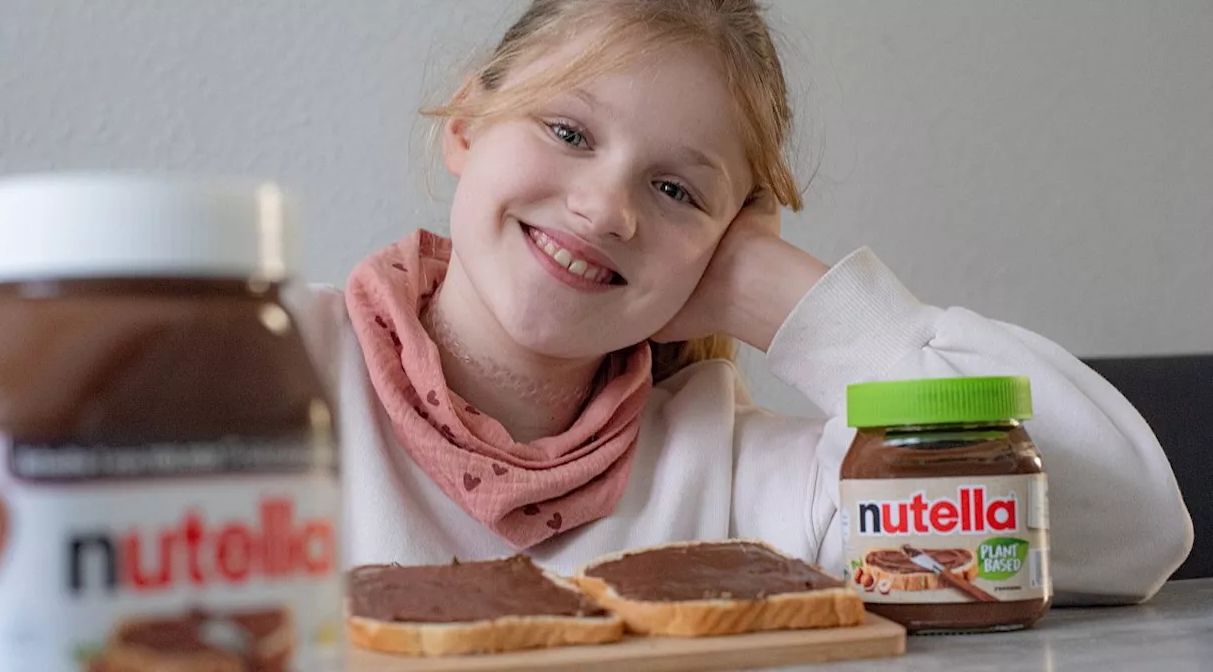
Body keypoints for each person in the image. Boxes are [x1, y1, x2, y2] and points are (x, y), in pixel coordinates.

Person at [296, 0, 1191, 605]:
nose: (606, 209)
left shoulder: (740, 479)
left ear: (727, 241)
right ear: (465, 124)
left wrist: (778, 295)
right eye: (567, 132)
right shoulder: (264, 366)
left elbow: (1127, 528)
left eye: (677, 191)